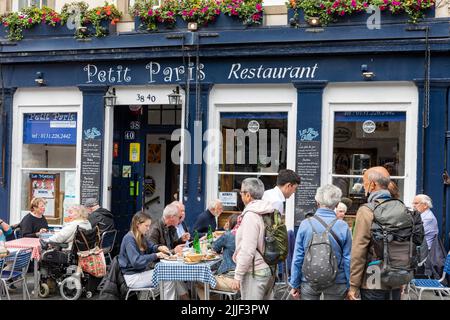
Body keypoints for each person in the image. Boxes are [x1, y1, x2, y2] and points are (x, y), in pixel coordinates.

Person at [347, 166, 403, 301]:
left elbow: (359, 251)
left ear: (372, 185)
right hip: (396, 277)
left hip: (373, 277)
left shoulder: (366, 210)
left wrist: (353, 285)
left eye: (365, 182)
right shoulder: (400, 207)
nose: (363, 186)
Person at [289, 184, 352, 300]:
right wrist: (351, 285)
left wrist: (294, 284)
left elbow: (298, 257)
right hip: (337, 280)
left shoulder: (305, 224)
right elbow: (348, 258)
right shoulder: (343, 226)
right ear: (337, 204)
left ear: (317, 202)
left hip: (309, 279)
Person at [118, 212, 183, 299]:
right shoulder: (129, 239)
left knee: (170, 274)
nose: (148, 229)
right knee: (168, 277)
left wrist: (159, 248)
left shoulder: (141, 236)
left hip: (141, 272)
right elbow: (136, 262)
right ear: (138, 224)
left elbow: (151, 246)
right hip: (133, 277)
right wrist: (155, 255)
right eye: (146, 225)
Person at [230, 178, 275, 300]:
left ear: (248, 195)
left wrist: (237, 276)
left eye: (241, 192)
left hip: (255, 272)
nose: (240, 195)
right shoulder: (269, 211)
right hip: (269, 268)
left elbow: (247, 250)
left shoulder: (251, 215)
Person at [196, 214, 239, 300]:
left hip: (229, 278)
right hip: (242, 278)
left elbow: (213, 247)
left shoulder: (228, 235)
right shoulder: (246, 235)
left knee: (199, 281)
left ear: (231, 223)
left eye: (228, 222)